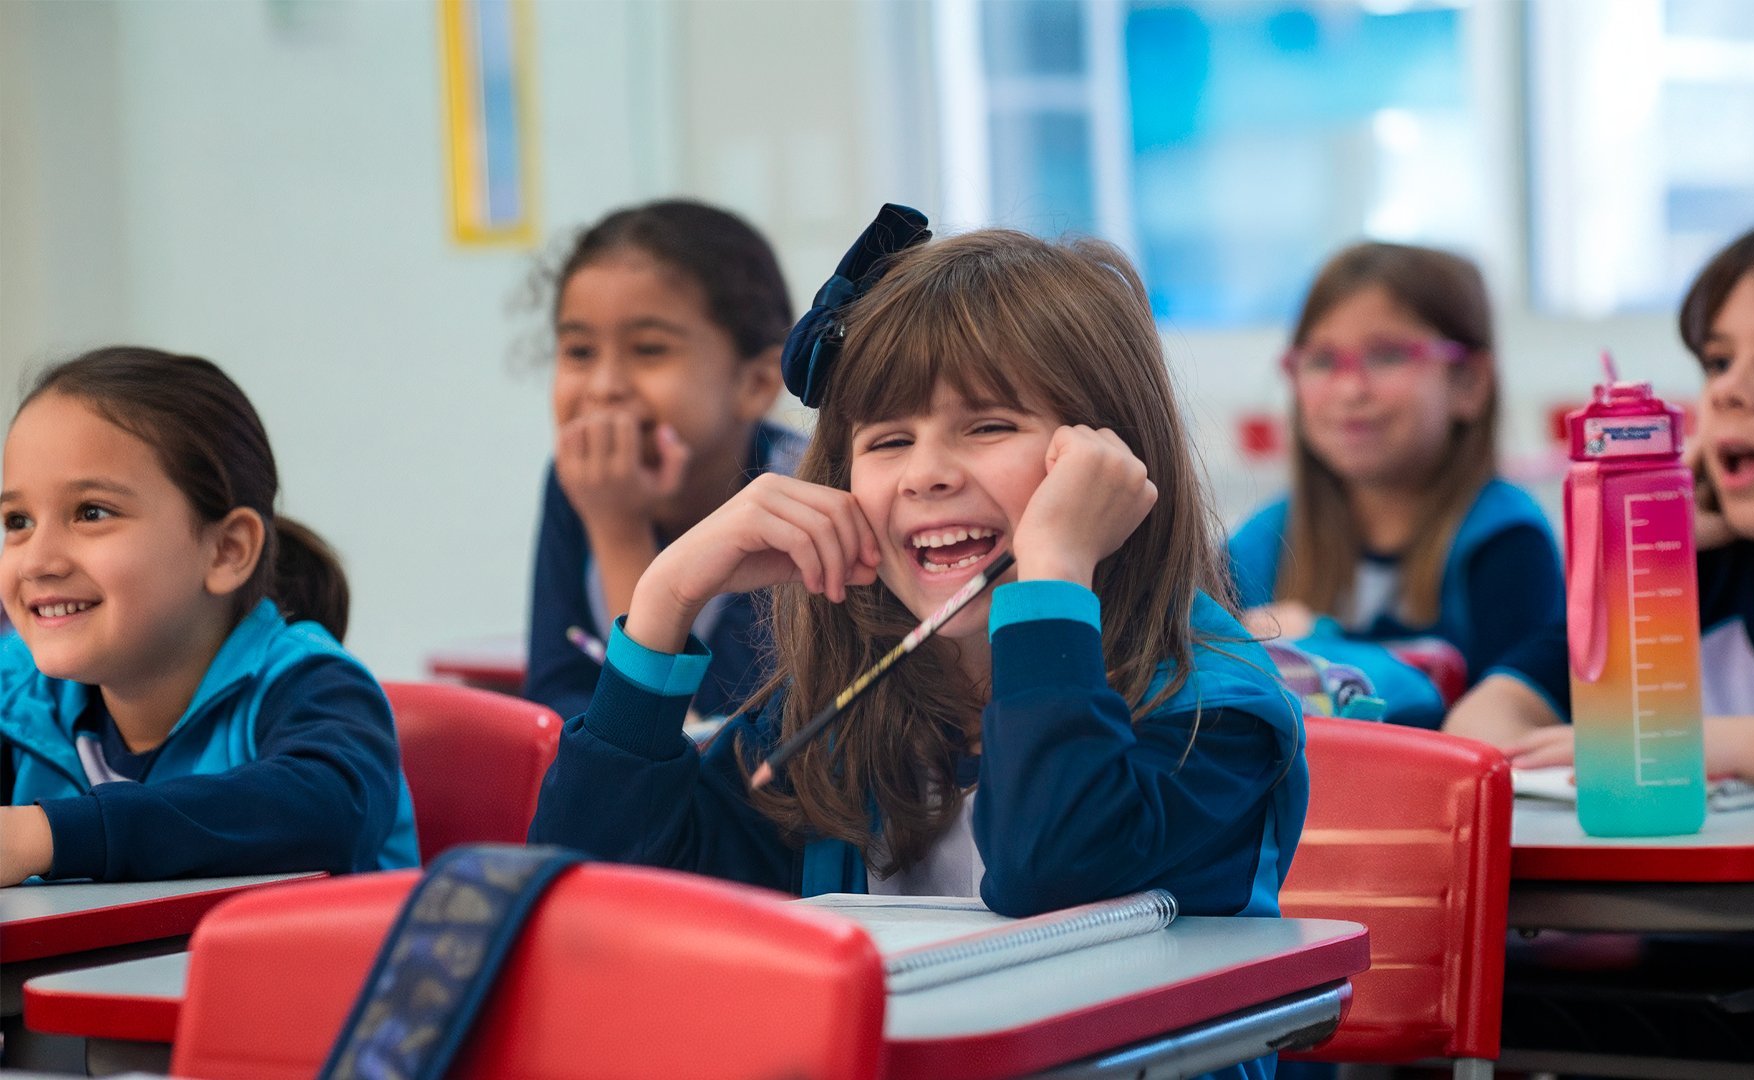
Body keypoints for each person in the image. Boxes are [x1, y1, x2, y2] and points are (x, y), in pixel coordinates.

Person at [531, 208, 1307, 1075]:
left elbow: (1054, 876)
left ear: (1109, 464)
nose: (926, 473)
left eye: (988, 426)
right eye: (889, 440)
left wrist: (1053, 573)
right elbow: (589, 907)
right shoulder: (845, 715)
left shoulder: (1214, 714)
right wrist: (665, 599)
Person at [1446, 216, 1754, 798]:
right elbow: (1479, 721)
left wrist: (1706, 744)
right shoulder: (1689, 575)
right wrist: (1648, 550)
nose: (1727, 391)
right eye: (1718, 361)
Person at [0, 346, 418, 886]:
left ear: (226, 551)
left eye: (92, 512)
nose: (37, 561)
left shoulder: (314, 686)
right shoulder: (18, 696)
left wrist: (47, 836)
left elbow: (330, 812)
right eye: (17, 521)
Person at [1226, 242, 1562, 695]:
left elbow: (1504, 718)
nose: (1349, 390)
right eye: (1322, 361)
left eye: (1386, 356)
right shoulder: (1263, 542)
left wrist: (1316, 647)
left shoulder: (1506, 541)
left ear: (1469, 382)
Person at [525, 199, 802, 721]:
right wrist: (612, 519)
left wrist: (619, 534)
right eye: (580, 352)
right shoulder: (578, 483)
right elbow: (557, 695)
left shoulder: (803, 497)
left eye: (649, 349)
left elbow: (699, 734)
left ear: (757, 383)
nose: (604, 387)